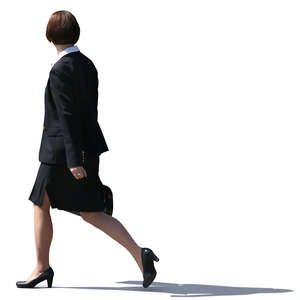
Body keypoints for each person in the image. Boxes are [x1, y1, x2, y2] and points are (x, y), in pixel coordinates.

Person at [16, 10, 159, 289]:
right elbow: (88, 112)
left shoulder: (60, 69)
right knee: (91, 211)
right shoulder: (87, 64)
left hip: (61, 153)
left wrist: (72, 159)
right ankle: (140, 255)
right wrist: (81, 155)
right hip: (86, 148)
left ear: (49, 36)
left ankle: (41, 267)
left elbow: (67, 116)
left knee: (41, 201)